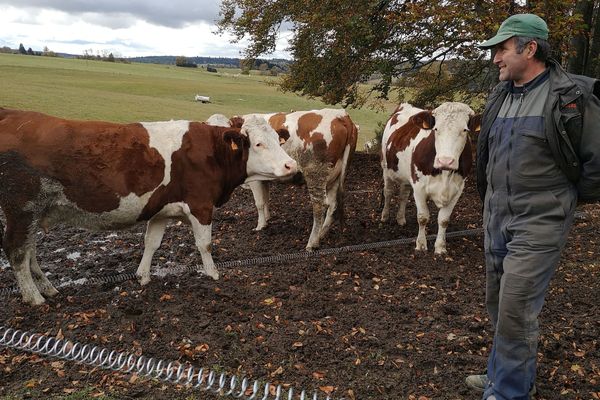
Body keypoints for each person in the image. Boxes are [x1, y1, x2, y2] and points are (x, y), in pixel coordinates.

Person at [466, 13, 600, 400]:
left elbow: (596, 161)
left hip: (541, 220)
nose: (495, 59)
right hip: (496, 216)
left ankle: (508, 392)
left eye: (502, 49)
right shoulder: (501, 95)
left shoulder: (571, 96)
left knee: (515, 306)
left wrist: (565, 200)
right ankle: (504, 375)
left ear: (530, 48)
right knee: (498, 303)